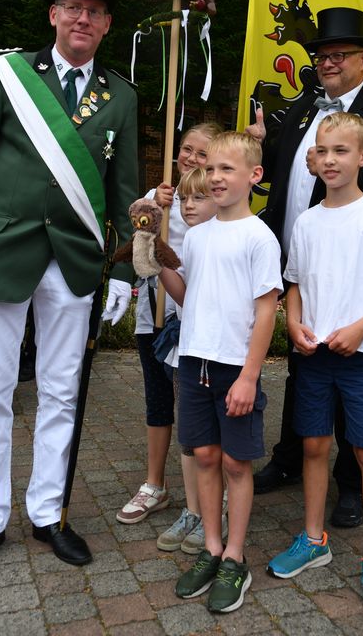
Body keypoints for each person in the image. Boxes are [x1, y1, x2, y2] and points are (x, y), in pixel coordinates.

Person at [0, 0, 138, 580]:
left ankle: (48, 512)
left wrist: (126, 270)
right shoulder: (9, 74)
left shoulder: (121, 96)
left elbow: (126, 192)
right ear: (53, 14)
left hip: (74, 260)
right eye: (72, 7)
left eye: (95, 12)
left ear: (107, 25)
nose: (82, 19)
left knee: (61, 392)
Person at [249, 7, 363, 528]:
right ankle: (291, 457)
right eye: (321, 55)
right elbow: (281, 185)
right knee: (303, 368)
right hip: (300, 265)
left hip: (356, 279)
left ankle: (350, 485)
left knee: (349, 376)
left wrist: (339, 170)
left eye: (338, 54)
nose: (327, 62)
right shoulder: (304, 109)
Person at [268, 112, 363, 614]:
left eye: (341, 151)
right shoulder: (307, 221)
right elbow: (294, 284)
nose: (330, 160)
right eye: (322, 151)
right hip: (313, 358)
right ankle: (314, 539)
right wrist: (293, 324)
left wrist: (360, 329)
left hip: (361, 359)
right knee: (313, 446)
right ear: (312, 158)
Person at [160, 131, 283, 614]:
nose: (214, 177)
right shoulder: (196, 235)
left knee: (236, 463)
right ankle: (211, 548)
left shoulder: (259, 236)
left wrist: (250, 376)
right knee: (206, 457)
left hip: (235, 366)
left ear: (254, 175)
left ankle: (235, 557)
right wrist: (156, 261)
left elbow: (266, 311)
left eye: (226, 169)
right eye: (210, 168)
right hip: (194, 361)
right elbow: (187, 295)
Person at [117, 122, 221, 526]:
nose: (191, 158)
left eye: (202, 153)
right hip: (154, 314)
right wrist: (153, 206)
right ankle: (154, 484)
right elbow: (137, 234)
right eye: (186, 149)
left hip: (192, 320)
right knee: (157, 400)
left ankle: (209, 496)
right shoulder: (157, 195)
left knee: (195, 407)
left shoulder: (215, 199)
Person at [155, 166, 228, 554]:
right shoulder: (190, 243)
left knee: (224, 438)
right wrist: (155, 256)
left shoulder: (233, 239)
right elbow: (183, 296)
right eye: (184, 198)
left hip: (225, 354)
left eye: (199, 197)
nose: (188, 205)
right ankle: (193, 510)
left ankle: (221, 509)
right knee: (191, 436)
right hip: (189, 350)